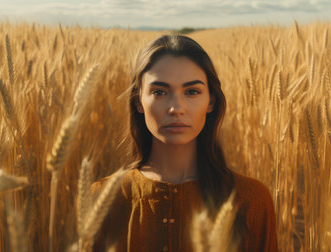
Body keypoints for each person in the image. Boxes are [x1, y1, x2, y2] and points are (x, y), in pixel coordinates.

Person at [91, 34, 277, 251]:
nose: (176, 108)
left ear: (211, 101)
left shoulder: (252, 199)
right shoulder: (103, 199)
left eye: (192, 92)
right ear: (138, 101)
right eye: (159, 92)